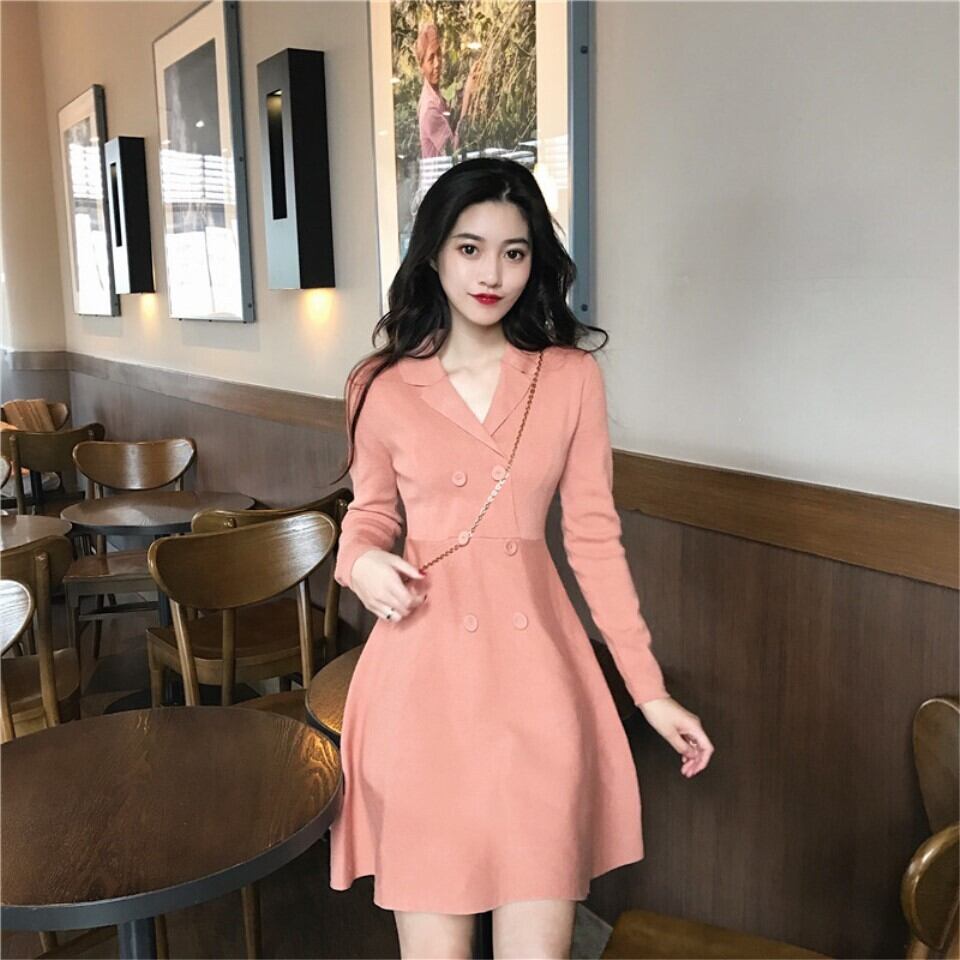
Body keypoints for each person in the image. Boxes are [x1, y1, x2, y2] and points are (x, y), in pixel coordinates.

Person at [328, 158, 714, 959]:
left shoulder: (570, 379)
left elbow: (594, 540)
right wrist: (357, 562)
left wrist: (649, 693)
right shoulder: (379, 384)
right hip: (422, 687)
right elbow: (368, 516)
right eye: (469, 248)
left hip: (538, 687)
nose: (491, 274)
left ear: (536, 262)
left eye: (514, 252)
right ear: (434, 253)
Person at [416, 20, 480, 159]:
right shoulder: (430, 109)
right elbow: (454, 152)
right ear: (421, 66)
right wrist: (467, 95)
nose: (437, 63)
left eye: (438, 54)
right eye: (431, 58)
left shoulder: (435, 95)